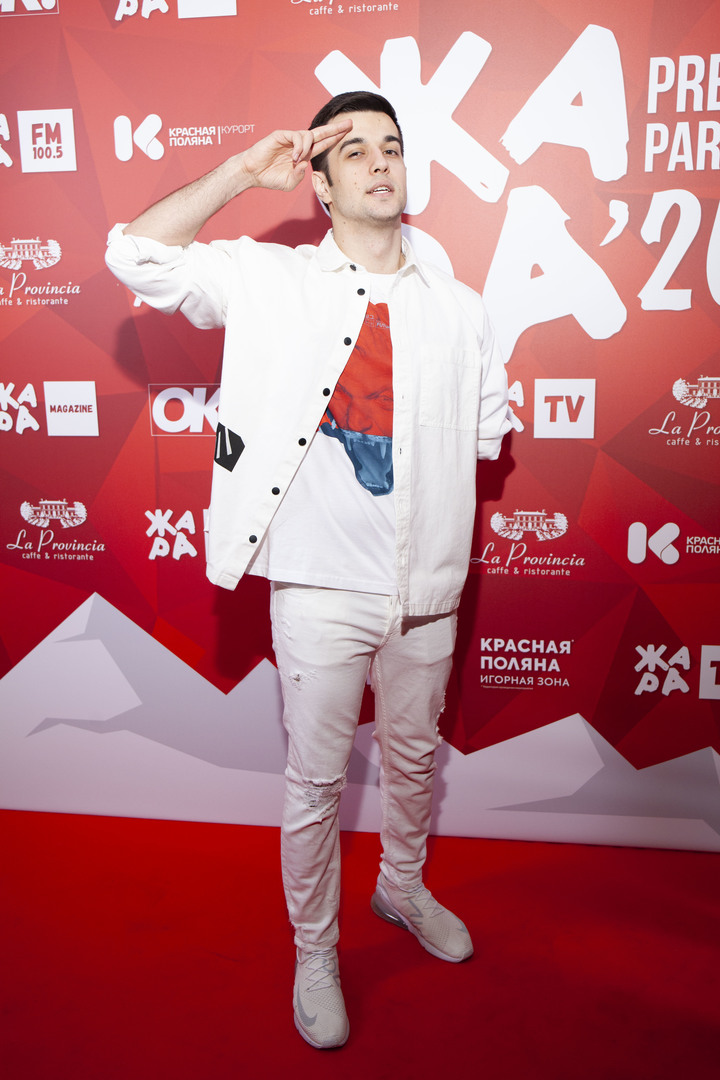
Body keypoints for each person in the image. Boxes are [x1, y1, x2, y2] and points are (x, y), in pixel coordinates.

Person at [106, 91, 513, 1050]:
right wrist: (243, 172)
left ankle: (403, 887)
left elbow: (486, 434)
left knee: (414, 758)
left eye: (392, 147)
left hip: (428, 588)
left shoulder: (461, 310)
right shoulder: (268, 280)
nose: (380, 162)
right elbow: (137, 255)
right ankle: (316, 952)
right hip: (320, 587)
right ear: (321, 185)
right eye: (354, 151)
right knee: (316, 783)